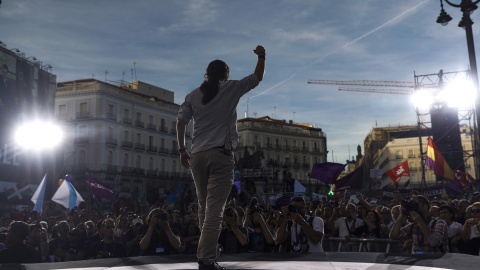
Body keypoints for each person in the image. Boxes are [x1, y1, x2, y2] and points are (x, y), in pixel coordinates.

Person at [176, 45, 265, 270]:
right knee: (215, 209)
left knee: (205, 207)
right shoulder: (231, 88)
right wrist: (262, 56)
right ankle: (206, 259)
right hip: (221, 155)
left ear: (207, 74)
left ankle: (209, 252)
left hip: (196, 156)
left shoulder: (193, 95)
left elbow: (181, 122)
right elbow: (257, 77)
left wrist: (182, 150)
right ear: (225, 75)